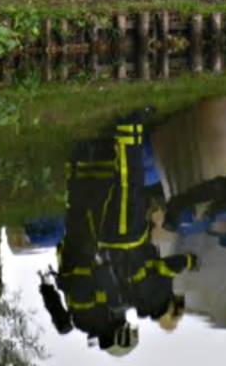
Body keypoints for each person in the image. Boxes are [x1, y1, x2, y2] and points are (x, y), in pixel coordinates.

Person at [39, 121, 196, 356]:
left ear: (120, 335)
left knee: (99, 198)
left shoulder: (114, 309)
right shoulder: (80, 324)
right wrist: (46, 288)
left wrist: (102, 257)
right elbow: (61, 316)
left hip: (90, 251)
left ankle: (101, 146)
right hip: (72, 252)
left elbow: (107, 279)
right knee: (79, 204)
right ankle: (79, 155)